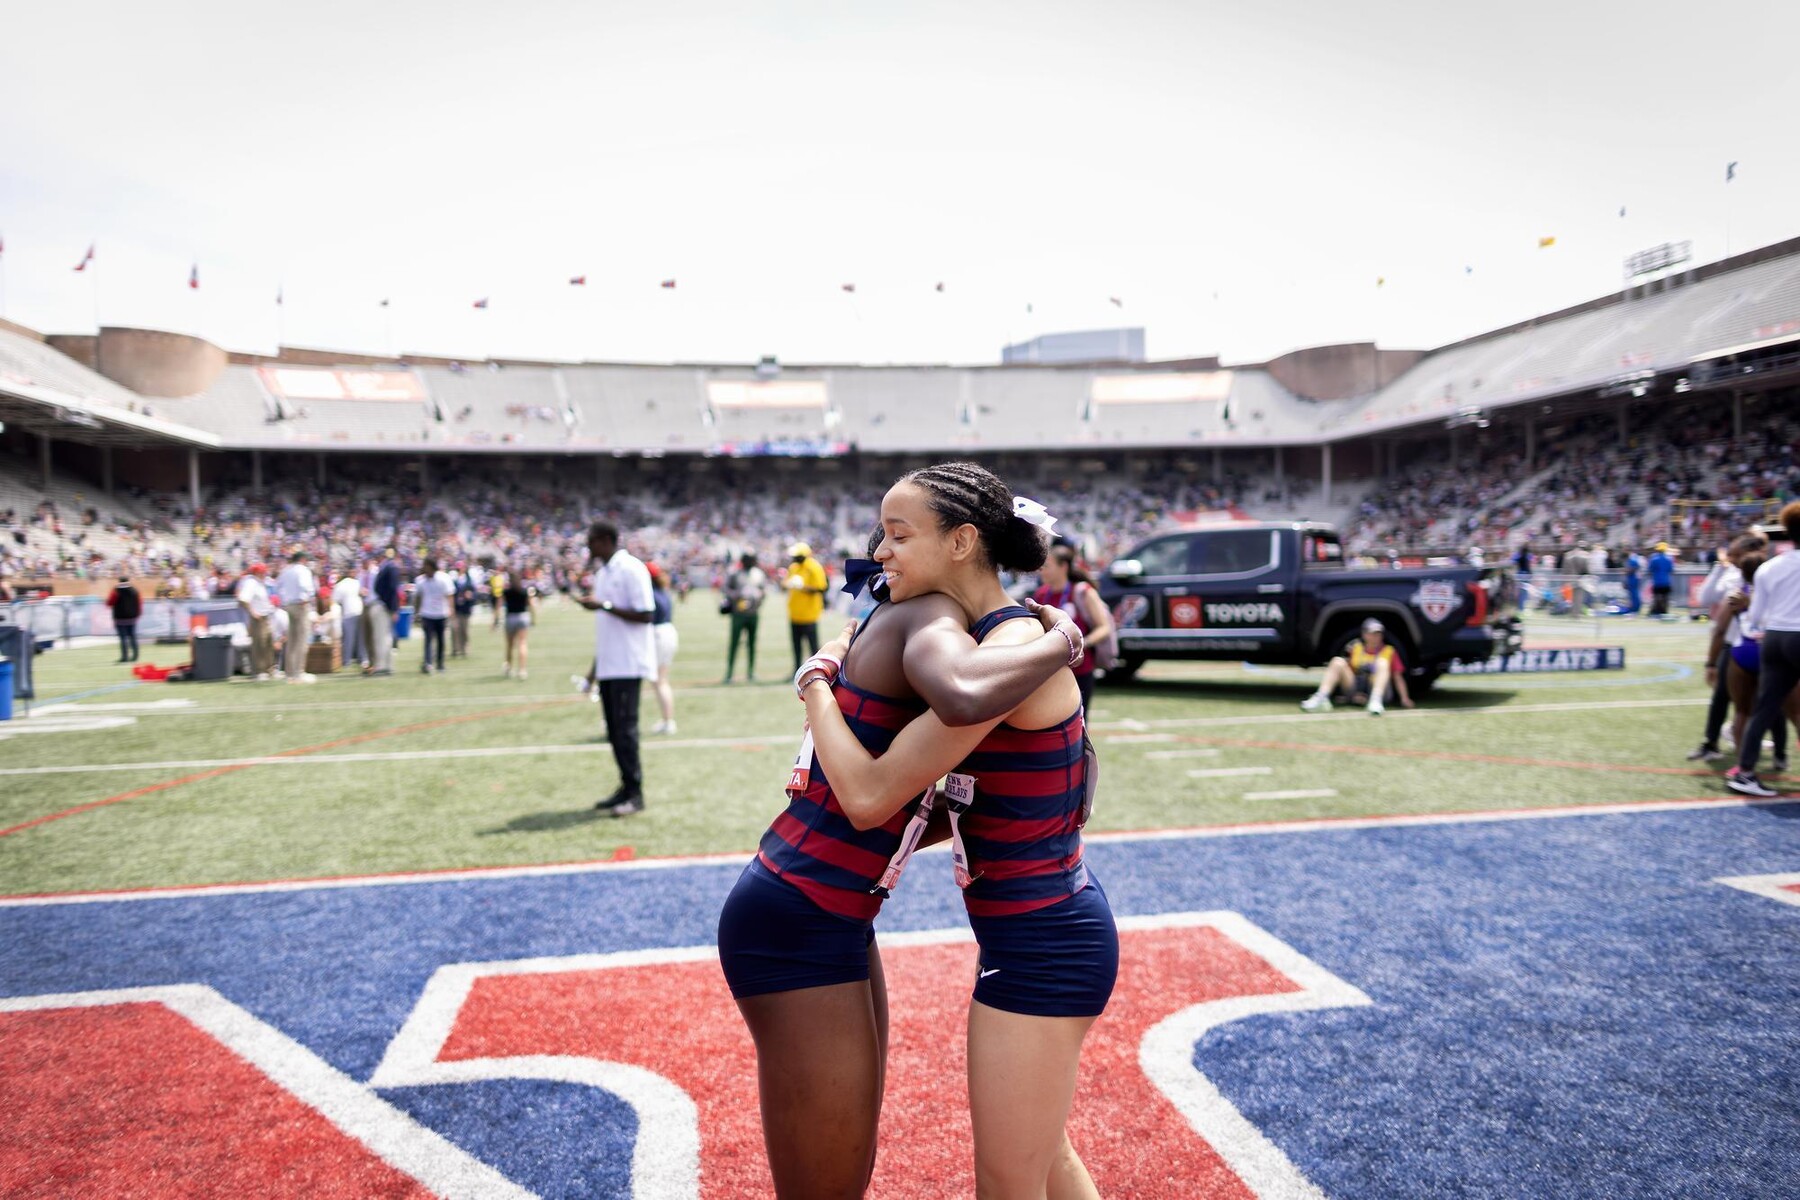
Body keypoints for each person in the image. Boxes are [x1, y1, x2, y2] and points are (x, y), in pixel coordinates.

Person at [787, 463, 1111, 1198]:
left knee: (1008, 1181)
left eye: (898, 536)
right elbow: (987, 795)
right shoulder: (1003, 637)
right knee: (1044, 1163)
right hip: (1039, 932)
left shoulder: (1006, 650)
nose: (879, 554)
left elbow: (872, 793)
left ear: (963, 541)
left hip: (1043, 946)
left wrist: (815, 686)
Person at [574, 521, 657, 817]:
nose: (589, 547)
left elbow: (647, 613)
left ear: (607, 540)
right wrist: (593, 671)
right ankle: (625, 785)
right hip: (610, 664)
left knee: (626, 730)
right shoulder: (605, 572)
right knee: (613, 730)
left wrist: (604, 606)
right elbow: (606, 627)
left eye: (592, 541)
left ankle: (635, 794)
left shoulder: (631, 568)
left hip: (628, 663)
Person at [1726, 502, 1800, 798]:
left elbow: (1755, 616)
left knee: (1765, 707)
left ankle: (1745, 773)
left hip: (1772, 639)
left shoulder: (1770, 566)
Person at [1709, 553, 1796, 773]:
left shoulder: (1739, 593)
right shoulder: (1780, 589)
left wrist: (1710, 662)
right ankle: (1780, 756)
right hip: (1775, 646)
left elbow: (1720, 629)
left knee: (1744, 711)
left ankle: (1744, 766)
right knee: (1789, 711)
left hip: (1743, 651)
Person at [1688, 533, 1767, 763]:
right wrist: (1718, 569)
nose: (1730, 558)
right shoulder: (1732, 575)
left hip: (1752, 644)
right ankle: (1714, 743)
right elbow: (1706, 597)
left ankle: (1757, 749)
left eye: (1735, 554)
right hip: (1734, 644)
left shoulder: (1762, 574)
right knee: (1725, 697)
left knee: (1761, 701)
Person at [1032, 543, 1114, 715]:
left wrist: (1078, 644)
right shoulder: (1040, 594)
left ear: (1064, 567)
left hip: (1081, 670)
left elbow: (1104, 627)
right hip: (1051, 672)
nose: (1042, 570)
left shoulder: (1082, 591)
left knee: (1080, 722)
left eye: (1047, 566)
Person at [1299, 617, 1414, 716]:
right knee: (1337, 661)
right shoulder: (1356, 648)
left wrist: (1405, 698)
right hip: (1357, 690)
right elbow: (1348, 674)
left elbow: (1398, 677)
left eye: (1378, 633)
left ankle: (1375, 701)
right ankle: (1321, 697)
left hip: (1382, 692)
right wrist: (1350, 696)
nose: (1376, 637)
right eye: (1372, 633)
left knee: (1382, 663)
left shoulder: (1389, 651)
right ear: (1364, 634)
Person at [783, 541, 829, 674]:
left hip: (809, 614)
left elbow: (821, 588)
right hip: (794, 613)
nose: (795, 558)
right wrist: (788, 584)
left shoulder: (814, 567)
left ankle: (817, 671)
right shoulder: (793, 567)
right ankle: (796, 670)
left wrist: (803, 587)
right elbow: (785, 582)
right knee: (796, 646)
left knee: (813, 646)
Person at [722, 552, 767, 684]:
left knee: (752, 643)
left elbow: (764, 590)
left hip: (753, 613)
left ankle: (751, 672)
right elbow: (726, 589)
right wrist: (736, 595)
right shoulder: (735, 573)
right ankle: (729, 673)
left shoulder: (758, 573)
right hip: (738, 613)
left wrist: (759, 595)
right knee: (734, 643)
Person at [273, 549, 316, 684]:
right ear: (302, 559)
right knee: (301, 640)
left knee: (291, 641)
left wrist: (284, 601)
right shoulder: (302, 570)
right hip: (300, 605)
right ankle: (299, 673)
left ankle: (289, 673)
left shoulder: (286, 571)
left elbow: (278, 588)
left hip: (288, 606)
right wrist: (306, 597)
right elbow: (306, 587)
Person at [648, 564, 679, 734]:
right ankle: (668, 721)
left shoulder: (651, 592)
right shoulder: (663, 591)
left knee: (658, 681)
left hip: (657, 634)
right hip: (668, 632)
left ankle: (668, 722)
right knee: (662, 680)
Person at [236, 563, 276, 679]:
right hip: (258, 619)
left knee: (268, 643)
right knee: (259, 645)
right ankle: (259, 671)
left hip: (265, 617)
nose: (265, 574)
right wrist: (253, 612)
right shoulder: (251, 583)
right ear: (258, 573)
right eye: (263, 572)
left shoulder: (259, 583)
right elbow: (243, 599)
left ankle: (269, 669)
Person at [413, 557, 454, 674]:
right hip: (427, 614)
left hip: (441, 613)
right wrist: (416, 612)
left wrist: (451, 610)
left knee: (441, 640)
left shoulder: (443, 578)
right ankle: (428, 662)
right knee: (428, 640)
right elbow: (418, 597)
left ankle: (440, 663)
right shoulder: (420, 581)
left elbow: (449, 595)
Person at [367, 550, 400, 676]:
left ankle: (382, 666)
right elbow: (392, 589)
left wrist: (392, 608)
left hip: (381, 606)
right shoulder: (390, 568)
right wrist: (393, 608)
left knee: (381, 637)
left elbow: (385, 589)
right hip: (384, 606)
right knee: (385, 637)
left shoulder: (387, 568)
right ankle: (386, 665)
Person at [500, 569, 537, 680]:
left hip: (510, 617)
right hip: (522, 617)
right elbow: (531, 605)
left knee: (510, 645)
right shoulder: (524, 591)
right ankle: (522, 670)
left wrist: (495, 620)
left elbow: (499, 605)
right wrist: (534, 618)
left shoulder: (506, 591)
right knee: (522, 643)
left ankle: (509, 667)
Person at [332, 567, 365, 670]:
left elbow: (335, 600)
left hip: (348, 613)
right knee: (361, 639)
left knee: (348, 639)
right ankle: (362, 658)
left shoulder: (341, 585)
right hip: (359, 611)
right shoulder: (358, 582)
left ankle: (347, 660)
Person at [106, 575, 142, 663]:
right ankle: (135, 656)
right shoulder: (135, 590)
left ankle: (124, 657)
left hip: (120, 618)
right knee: (133, 637)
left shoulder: (116, 591)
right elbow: (139, 603)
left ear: (119, 581)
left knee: (123, 638)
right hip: (132, 618)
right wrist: (138, 614)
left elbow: (109, 603)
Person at [450, 562, 477, 658]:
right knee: (454, 628)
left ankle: (464, 648)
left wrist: (471, 596)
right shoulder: (454, 579)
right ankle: (455, 649)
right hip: (456, 608)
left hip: (465, 608)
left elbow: (474, 593)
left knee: (464, 629)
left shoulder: (469, 580)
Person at [1648, 542, 1676, 618]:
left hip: (1657, 582)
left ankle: (1656, 611)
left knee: (1656, 597)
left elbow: (1650, 570)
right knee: (1665, 597)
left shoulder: (1653, 559)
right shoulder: (1669, 559)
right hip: (1666, 581)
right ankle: (1665, 611)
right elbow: (1671, 570)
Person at [1622, 548, 1645, 616]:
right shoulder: (1632, 558)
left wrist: (1627, 571)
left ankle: (1635, 609)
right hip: (1633, 579)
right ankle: (1633, 608)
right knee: (1632, 595)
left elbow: (1634, 568)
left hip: (1633, 579)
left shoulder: (1633, 558)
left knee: (1634, 594)